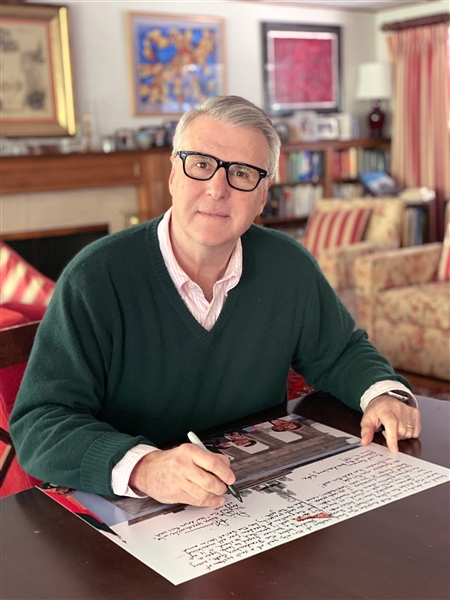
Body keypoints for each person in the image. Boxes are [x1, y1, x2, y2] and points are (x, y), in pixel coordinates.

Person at [10, 95, 421, 510]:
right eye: (201, 164)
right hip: (129, 511)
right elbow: (41, 422)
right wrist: (146, 467)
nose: (217, 189)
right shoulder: (95, 277)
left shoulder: (288, 265)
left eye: (242, 173)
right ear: (173, 174)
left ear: (263, 196)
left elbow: (340, 352)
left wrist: (382, 394)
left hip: (254, 498)